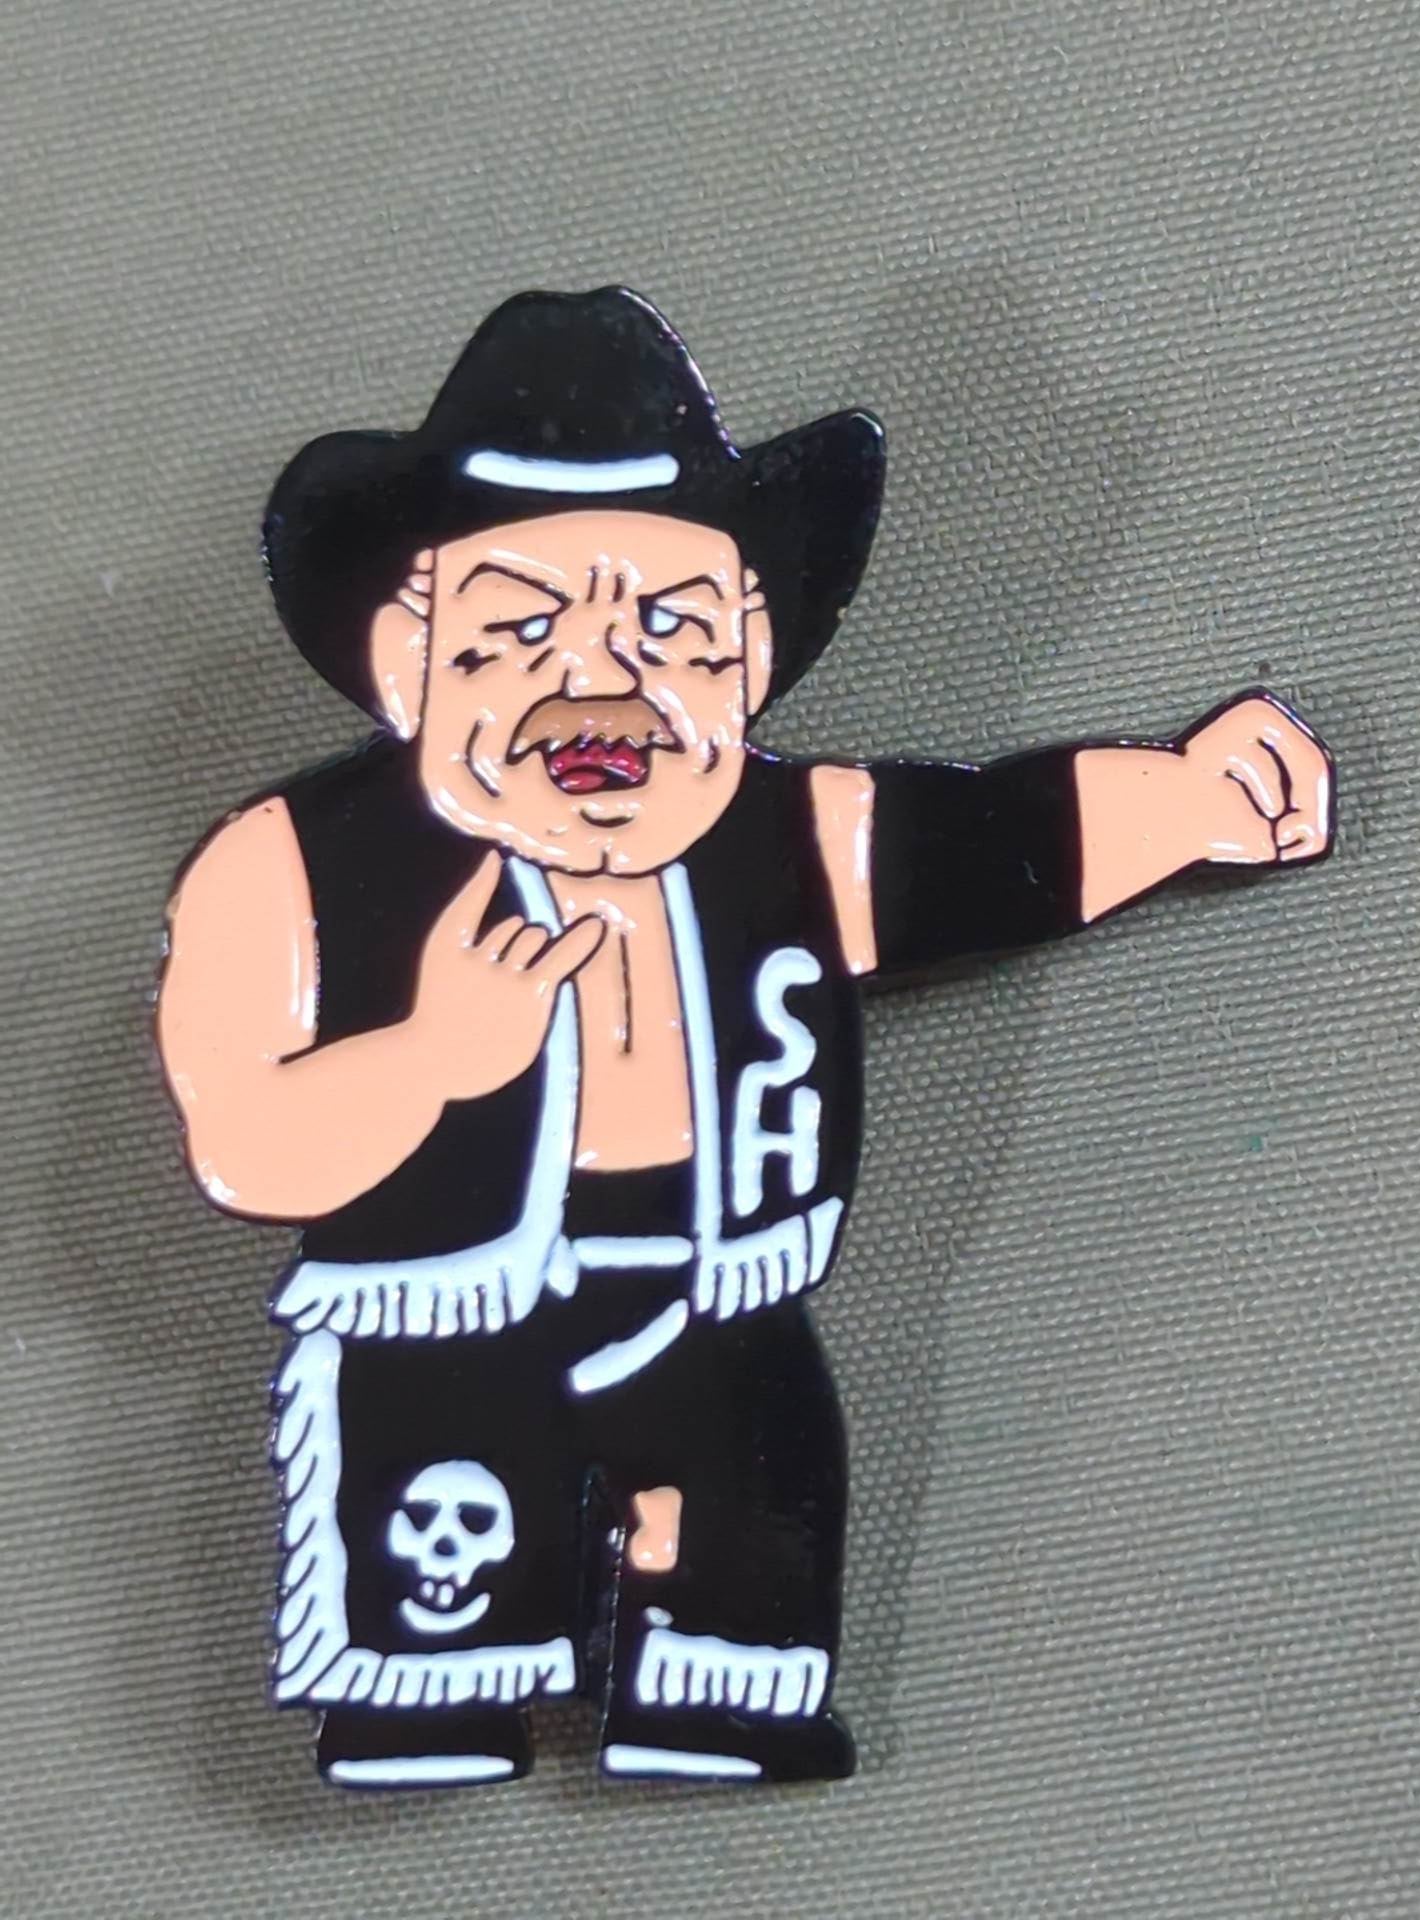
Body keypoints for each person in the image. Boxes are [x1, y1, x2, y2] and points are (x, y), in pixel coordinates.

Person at [157, 287, 1334, 1788]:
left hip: (723, 1295)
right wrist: (430, 1061)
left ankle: (710, 1700)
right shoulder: (287, 869)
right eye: (523, 628)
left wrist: (1187, 800)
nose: (601, 681)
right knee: (433, 1620)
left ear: (752, 657)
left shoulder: (794, 839)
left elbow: (988, 847)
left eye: (669, 626)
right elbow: (241, 1143)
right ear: (406, 659)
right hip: (440, 1327)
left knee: (744, 1558)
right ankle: (430, 1697)